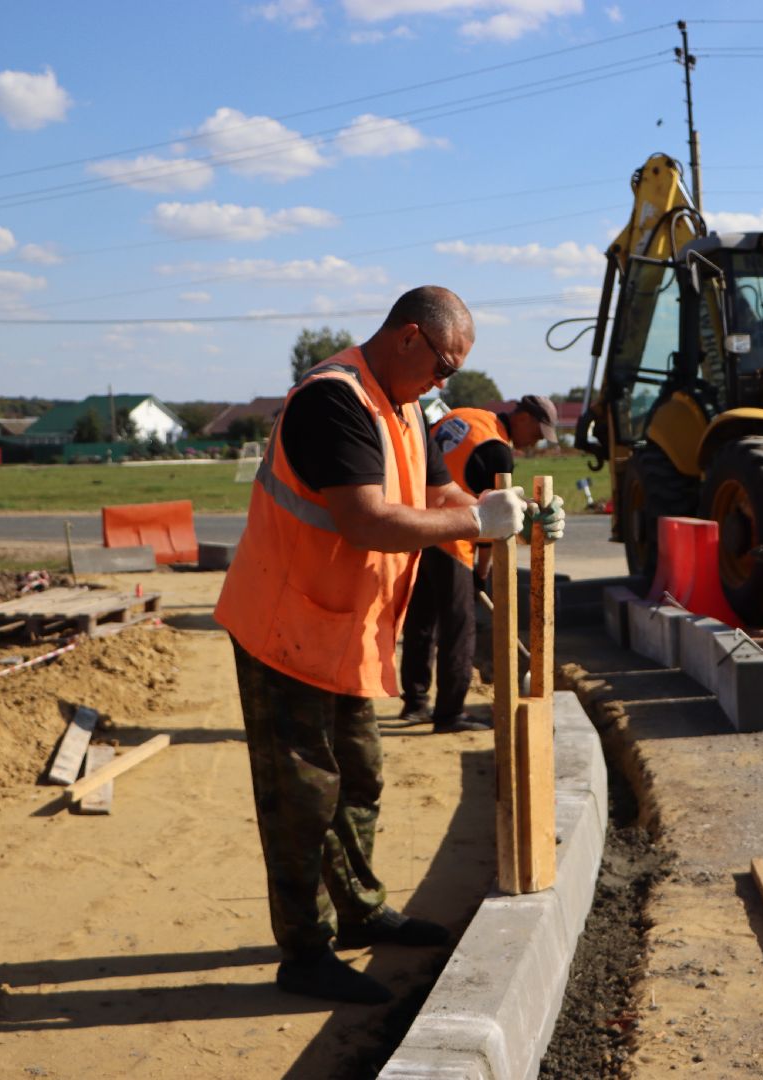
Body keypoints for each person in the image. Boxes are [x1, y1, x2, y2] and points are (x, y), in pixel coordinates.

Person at [214, 286, 566, 1006]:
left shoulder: (404, 404)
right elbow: (367, 521)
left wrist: (506, 515)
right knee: (301, 799)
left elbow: (437, 498)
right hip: (285, 629)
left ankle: (362, 908)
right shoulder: (333, 400)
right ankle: (305, 952)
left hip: (339, 630)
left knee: (360, 777)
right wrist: (479, 524)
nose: (445, 382)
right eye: (443, 364)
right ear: (408, 337)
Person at [398, 395, 559, 732]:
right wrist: (480, 573)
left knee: (422, 619)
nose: (535, 442)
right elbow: (494, 518)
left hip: (417, 524)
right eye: (538, 433)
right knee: (460, 627)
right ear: (524, 418)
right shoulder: (499, 451)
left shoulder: (468, 415)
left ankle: (414, 703)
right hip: (452, 534)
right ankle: (451, 713)